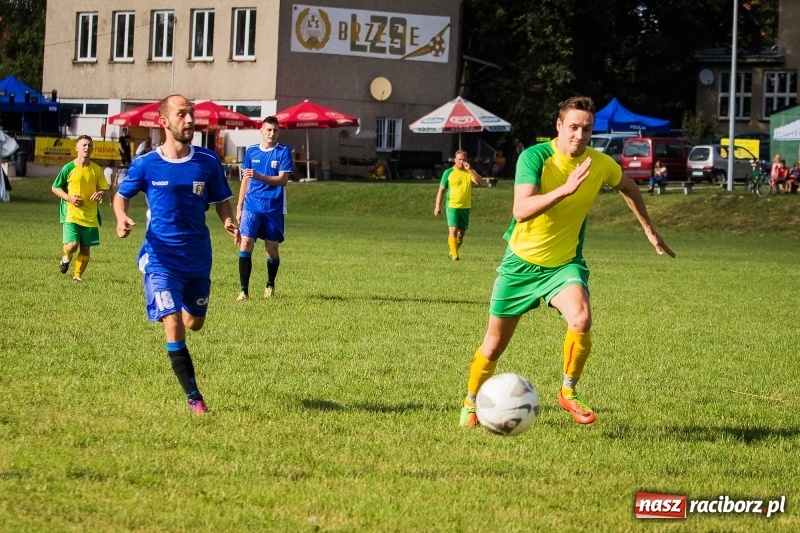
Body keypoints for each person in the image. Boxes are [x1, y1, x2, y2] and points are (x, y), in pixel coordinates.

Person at [459, 96, 675, 429]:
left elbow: (628, 185)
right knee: (494, 345)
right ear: (559, 126)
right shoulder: (536, 156)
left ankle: (567, 391)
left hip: (564, 265)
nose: (579, 134)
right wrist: (565, 190)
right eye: (573, 127)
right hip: (520, 265)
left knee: (582, 317)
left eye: (586, 129)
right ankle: (471, 401)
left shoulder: (599, 163)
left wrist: (648, 227)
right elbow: (521, 210)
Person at [113, 94, 240, 415]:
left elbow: (221, 199)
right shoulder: (145, 164)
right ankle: (195, 398)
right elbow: (121, 196)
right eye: (182, 114)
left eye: (191, 114)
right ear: (164, 122)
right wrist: (121, 217)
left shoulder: (208, 162)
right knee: (173, 323)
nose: (189, 120)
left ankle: (182, 313)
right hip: (160, 258)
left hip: (198, 257)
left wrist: (228, 220)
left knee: (194, 323)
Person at [235, 116, 293, 301]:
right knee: (245, 243)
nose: (272, 134)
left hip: (273, 207)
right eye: (269, 130)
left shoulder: (283, 151)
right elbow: (246, 179)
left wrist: (259, 176)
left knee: (271, 250)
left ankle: (270, 284)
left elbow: (283, 180)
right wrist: (239, 206)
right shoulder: (251, 151)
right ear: (261, 130)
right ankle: (243, 291)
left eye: (275, 130)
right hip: (252, 205)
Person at [51, 135, 110, 282]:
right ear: (76, 148)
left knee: (85, 249)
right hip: (71, 214)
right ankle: (66, 257)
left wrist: (100, 193)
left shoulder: (96, 170)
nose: (87, 148)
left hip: (90, 215)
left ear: (92, 149)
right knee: (72, 245)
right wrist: (69, 198)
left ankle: (77, 277)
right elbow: (55, 188)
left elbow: (104, 188)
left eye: (89, 145)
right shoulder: (68, 168)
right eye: (83, 145)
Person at [434, 149, 483, 261]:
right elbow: (441, 190)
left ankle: (452, 252)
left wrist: (470, 170)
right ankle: (455, 256)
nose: (461, 161)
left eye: (464, 159)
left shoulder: (469, 172)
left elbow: (480, 182)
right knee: (453, 230)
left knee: (461, 234)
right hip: (452, 205)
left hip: (465, 206)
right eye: (459, 159)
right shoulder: (448, 172)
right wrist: (437, 206)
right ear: (455, 160)